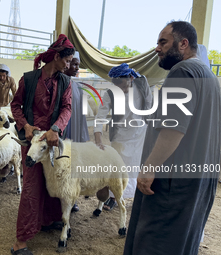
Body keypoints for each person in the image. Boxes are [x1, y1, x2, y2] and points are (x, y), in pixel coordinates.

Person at [123, 21, 220, 255]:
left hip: (171, 185)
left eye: (163, 42)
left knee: (155, 243)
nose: (157, 48)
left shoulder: (182, 71)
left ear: (183, 43)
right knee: (181, 241)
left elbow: (173, 128)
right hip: (197, 182)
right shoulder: (211, 79)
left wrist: (149, 168)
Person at [10, 34, 75, 255]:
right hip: (33, 142)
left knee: (53, 181)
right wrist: (25, 125)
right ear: (56, 57)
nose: (69, 65)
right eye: (67, 60)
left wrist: (56, 128)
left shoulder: (65, 82)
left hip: (52, 141)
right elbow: (16, 105)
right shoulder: (28, 79)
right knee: (31, 187)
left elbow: (67, 108)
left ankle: (48, 220)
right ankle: (20, 242)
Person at [93, 63, 152, 211]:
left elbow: (150, 107)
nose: (118, 88)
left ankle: (136, 196)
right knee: (118, 167)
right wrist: (98, 141)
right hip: (119, 136)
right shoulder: (110, 93)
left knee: (136, 167)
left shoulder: (143, 86)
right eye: (115, 84)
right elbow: (100, 116)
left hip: (140, 135)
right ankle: (113, 197)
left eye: (121, 83)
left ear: (130, 78)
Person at [64, 52, 90, 213]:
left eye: (78, 65)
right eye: (73, 63)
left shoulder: (77, 87)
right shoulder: (58, 83)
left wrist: (83, 137)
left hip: (74, 135)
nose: (76, 68)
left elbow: (82, 116)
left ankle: (72, 200)